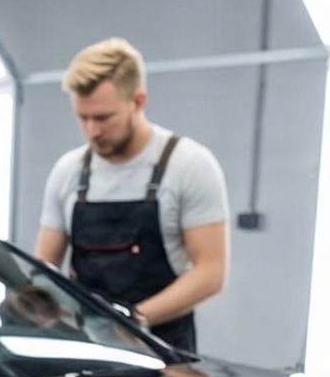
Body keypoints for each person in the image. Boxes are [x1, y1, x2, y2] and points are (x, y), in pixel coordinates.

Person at [35, 38, 229, 353]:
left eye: (103, 118)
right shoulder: (68, 171)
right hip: (86, 349)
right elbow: (45, 266)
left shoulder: (188, 165)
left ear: (138, 101)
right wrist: (32, 301)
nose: (92, 130)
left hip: (164, 352)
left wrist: (130, 321)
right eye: (82, 117)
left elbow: (211, 273)